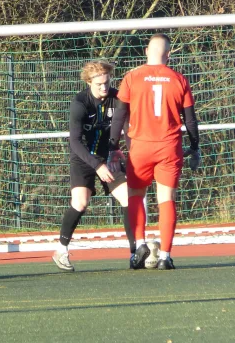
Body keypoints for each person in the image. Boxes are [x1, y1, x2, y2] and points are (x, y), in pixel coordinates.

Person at [108, 33, 201, 270]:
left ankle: (139, 244)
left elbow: (119, 116)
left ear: (146, 52)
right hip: (169, 147)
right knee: (166, 200)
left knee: (136, 195)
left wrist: (113, 146)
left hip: (140, 147)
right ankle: (165, 256)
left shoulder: (131, 77)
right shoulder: (179, 79)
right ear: (168, 55)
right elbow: (190, 120)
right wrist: (195, 145)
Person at [53, 61, 135, 272]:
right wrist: (97, 165)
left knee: (129, 198)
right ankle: (61, 249)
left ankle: (135, 252)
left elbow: (128, 130)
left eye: (107, 83)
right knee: (80, 202)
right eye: (99, 84)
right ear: (89, 82)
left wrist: (125, 153)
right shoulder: (80, 103)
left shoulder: (117, 98)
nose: (104, 88)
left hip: (109, 157)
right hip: (84, 159)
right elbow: (75, 142)